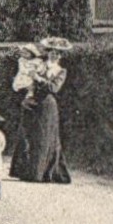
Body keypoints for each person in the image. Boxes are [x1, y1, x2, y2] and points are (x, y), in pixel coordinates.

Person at [11, 36, 72, 184]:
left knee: (44, 136)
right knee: (27, 133)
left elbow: (54, 88)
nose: (54, 55)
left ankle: (41, 173)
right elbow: (25, 79)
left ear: (61, 56)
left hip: (47, 105)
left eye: (57, 53)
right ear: (48, 52)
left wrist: (38, 79)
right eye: (52, 52)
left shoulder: (61, 71)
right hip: (31, 102)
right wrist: (26, 95)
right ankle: (25, 171)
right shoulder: (38, 64)